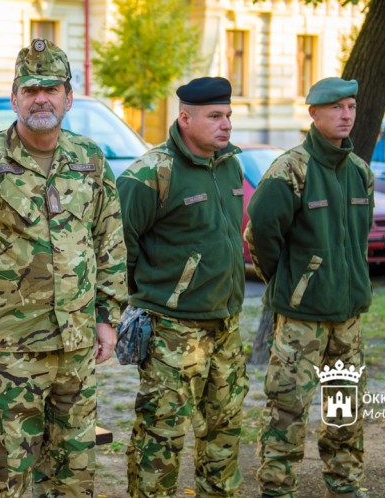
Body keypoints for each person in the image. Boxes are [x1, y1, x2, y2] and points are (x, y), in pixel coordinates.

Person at [0, 38, 128, 498]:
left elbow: (109, 240)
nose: (41, 98)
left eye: (51, 88)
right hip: (9, 352)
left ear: (68, 97)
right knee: (6, 479)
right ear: (14, 99)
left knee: (75, 478)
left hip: (76, 350)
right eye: (30, 89)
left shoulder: (89, 160)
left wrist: (108, 317)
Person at [117, 77, 248, 498]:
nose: (226, 124)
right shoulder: (150, 173)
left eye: (228, 115)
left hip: (225, 325)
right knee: (162, 438)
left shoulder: (230, 164)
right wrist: (152, 297)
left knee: (224, 431)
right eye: (215, 116)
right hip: (172, 331)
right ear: (185, 119)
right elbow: (118, 250)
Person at [244, 77, 374, 498]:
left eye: (351, 106)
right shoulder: (291, 169)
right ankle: (277, 488)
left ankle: (344, 482)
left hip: (347, 318)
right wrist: (289, 283)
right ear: (314, 114)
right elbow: (259, 234)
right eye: (336, 108)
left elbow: (359, 238)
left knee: (344, 406)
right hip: (302, 321)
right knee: (288, 407)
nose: (346, 115)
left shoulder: (359, 171)